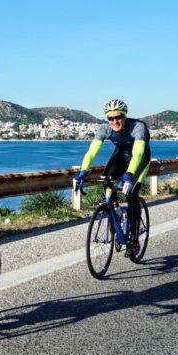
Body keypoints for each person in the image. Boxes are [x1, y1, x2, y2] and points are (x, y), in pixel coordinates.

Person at [73, 99, 151, 254]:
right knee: (106, 179)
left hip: (140, 159)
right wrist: (83, 172)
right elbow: (92, 152)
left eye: (118, 117)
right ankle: (115, 209)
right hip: (121, 156)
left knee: (132, 194)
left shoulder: (138, 127)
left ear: (125, 115)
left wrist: (129, 175)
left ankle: (134, 240)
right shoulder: (104, 129)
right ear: (107, 119)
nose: (115, 121)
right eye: (111, 118)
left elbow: (138, 153)